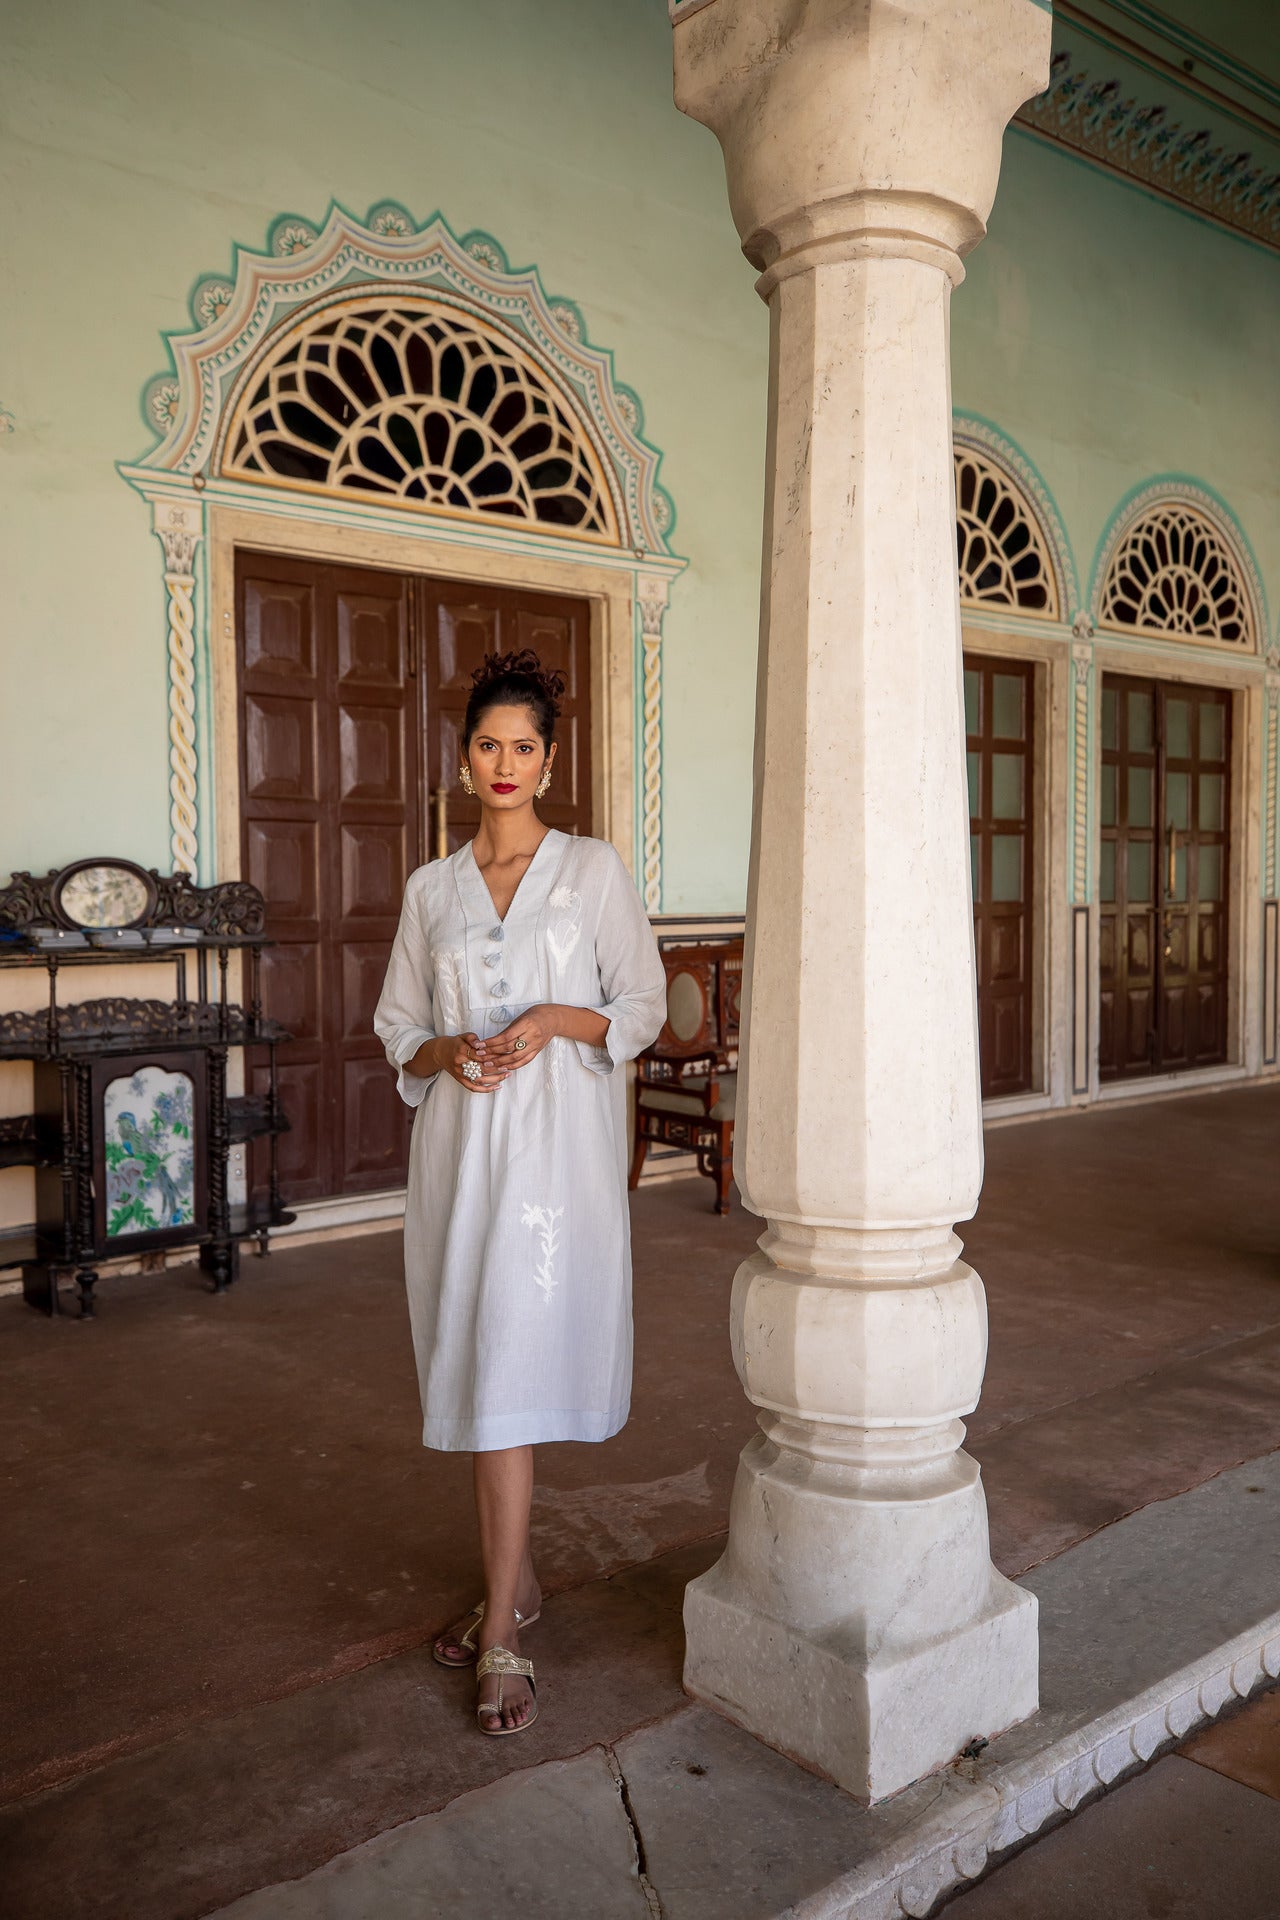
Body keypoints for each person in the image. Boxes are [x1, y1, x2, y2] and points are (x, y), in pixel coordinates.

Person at [374, 649, 667, 1736]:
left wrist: (551, 1020)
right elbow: (398, 1029)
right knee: (486, 1359)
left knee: (513, 1359)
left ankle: (503, 1623)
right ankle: (518, 1586)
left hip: (555, 1160)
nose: (506, 763)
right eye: (487, 745)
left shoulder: (589, 872)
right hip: (461, 1155)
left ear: (551, 760)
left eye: (524, 746)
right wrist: (448, 1047)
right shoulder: (429, 891)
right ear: (463, 761)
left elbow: (636, 1005)